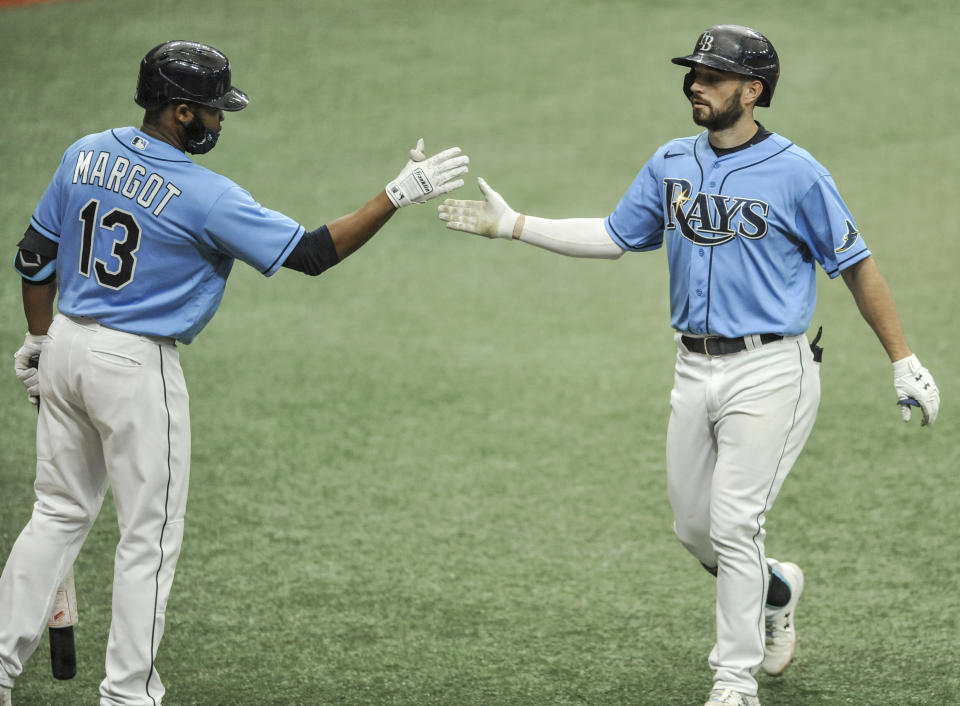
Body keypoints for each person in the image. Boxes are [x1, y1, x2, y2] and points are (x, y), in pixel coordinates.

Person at [438, 24, 940, 706]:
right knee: (694, 529)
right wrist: (516, 225)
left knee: (733, 524)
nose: (695, 84)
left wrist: (902, 359)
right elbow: (616, 237)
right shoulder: (672, 160)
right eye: (693, 73)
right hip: (691, 369)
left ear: (753, 90)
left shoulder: (798, 171)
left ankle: (733, 684)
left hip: (771, 371)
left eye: (712, 76)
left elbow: (856, 264)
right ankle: (777, 587)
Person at [1, 40, 468, 706]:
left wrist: (39, 339)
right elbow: (310, 254)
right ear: (181, 111)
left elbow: (34, 254)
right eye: (215, 111)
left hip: (68, 344)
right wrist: (396, 194)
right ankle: (127, 695)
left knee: (55, 514)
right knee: (148, 540)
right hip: (133, 367)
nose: (221, 122)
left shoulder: (84, 152)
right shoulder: (204, 194)